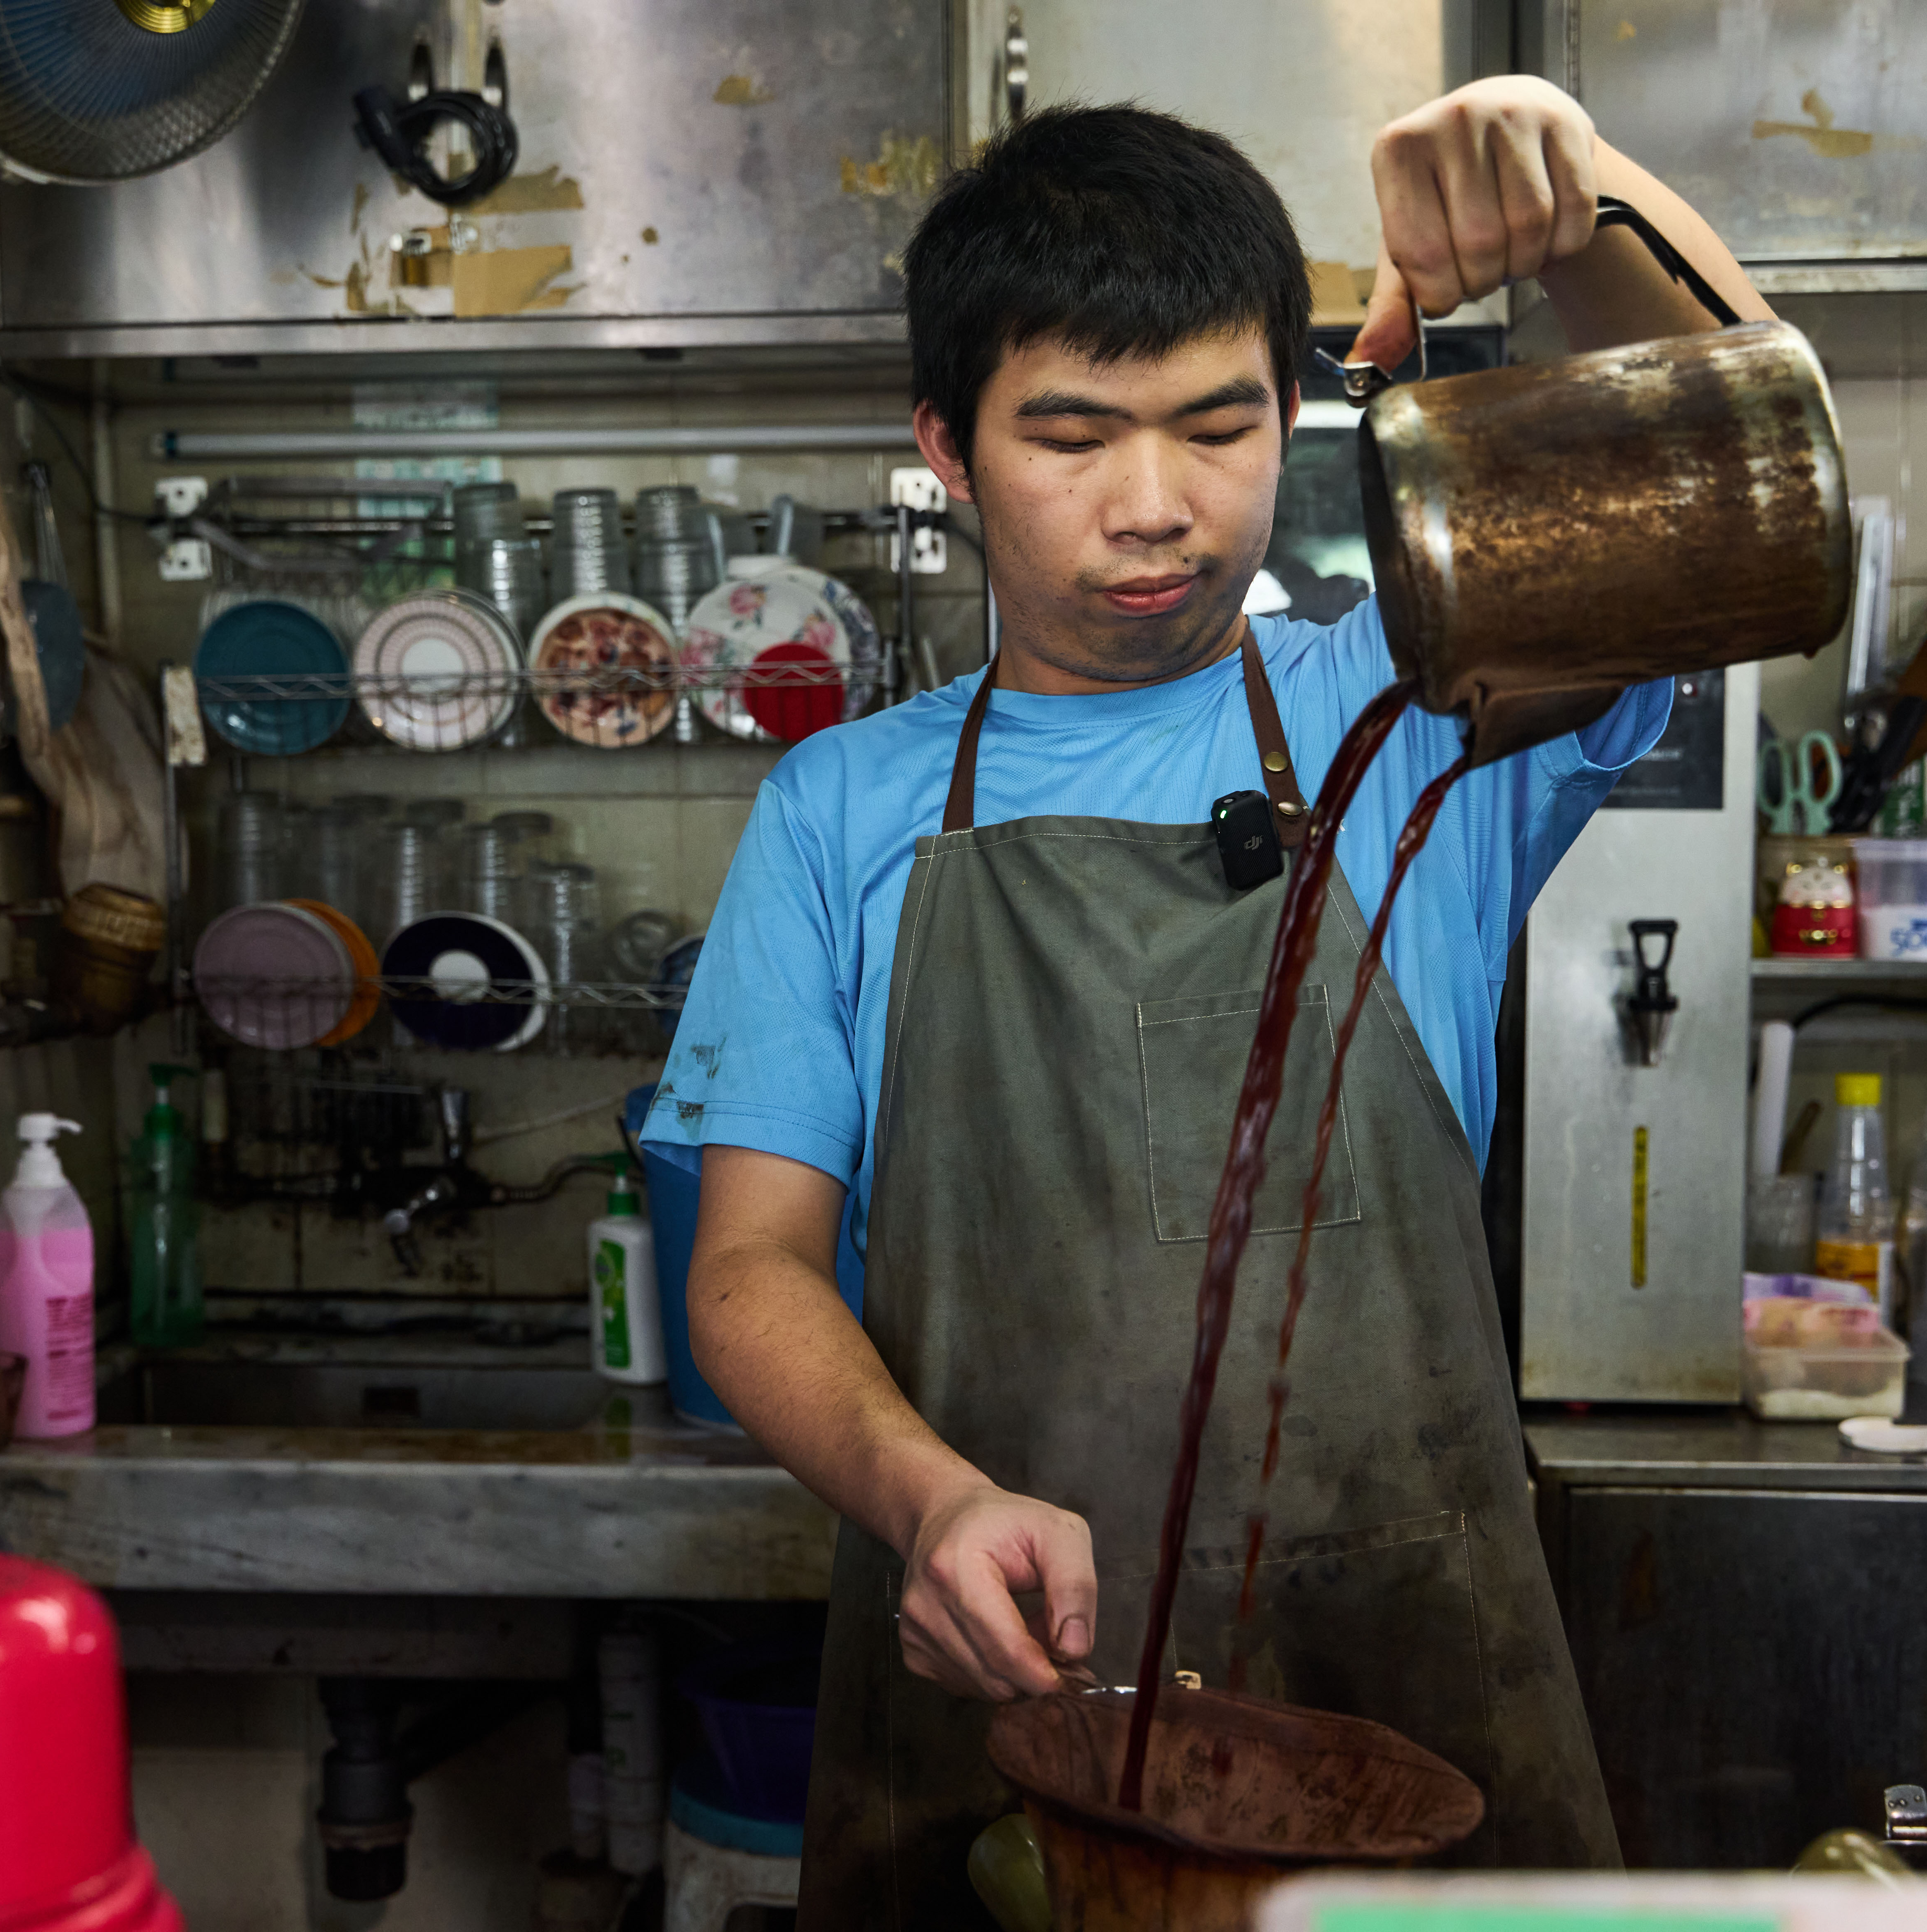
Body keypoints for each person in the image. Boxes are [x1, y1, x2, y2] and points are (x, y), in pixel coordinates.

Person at [640, 76, 1774, 1919]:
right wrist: (932, 1503)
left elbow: (1739, 493)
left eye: (1220, 426)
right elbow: (749, 1269)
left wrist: (1587, 205)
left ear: (1292, 413)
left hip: (1404, 1676)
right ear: (948, 447)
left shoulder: (1409, 707)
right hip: (1004, 1675)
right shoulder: (841, 808)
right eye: (1071, 437)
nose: (1156, 509)